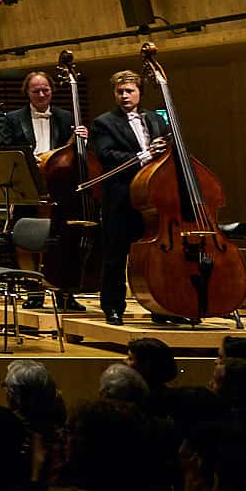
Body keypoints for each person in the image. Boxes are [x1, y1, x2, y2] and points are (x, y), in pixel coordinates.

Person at [88, 68, 172, 325]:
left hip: (152, 198)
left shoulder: (155, 119)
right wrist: (145, 155)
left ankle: (161, 306)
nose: (124, 96)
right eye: (119, 91)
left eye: (129, 91)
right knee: (115, 256)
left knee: (156, 255)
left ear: (139, 93)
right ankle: (113, 308)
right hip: (121, 198)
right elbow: (107, 156)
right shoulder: (104, 122)